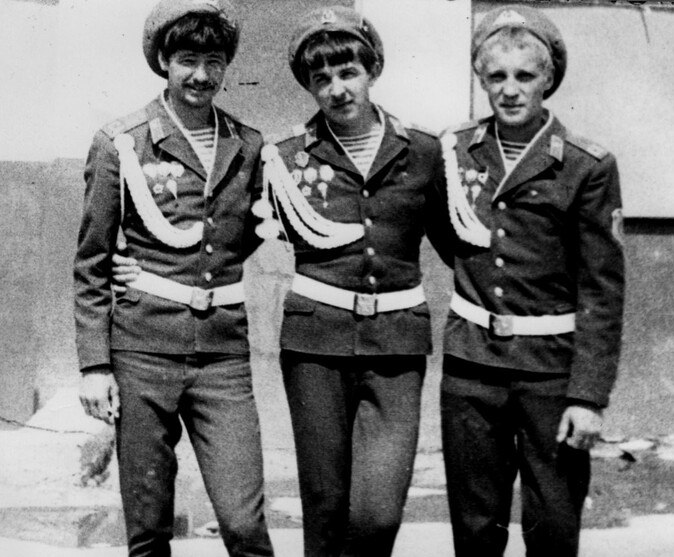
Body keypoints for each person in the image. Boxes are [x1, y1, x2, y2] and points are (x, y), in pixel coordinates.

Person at [73, 1, 274, 555]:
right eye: (188, 60)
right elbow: (91, 262)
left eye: (214, 61)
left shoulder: (248, 145)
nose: (201, 75)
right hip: (143, 350)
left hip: (222, 354)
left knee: (243, 522)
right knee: (148, 527)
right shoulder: (121, 142)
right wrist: (94, 366)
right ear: (164, 61)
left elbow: (245, 232)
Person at [256, 6, 447, 556]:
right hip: (314, 346)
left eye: (348, 73)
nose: (337, 89)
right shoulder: (285, 157)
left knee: (378, 514)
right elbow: (225, 227)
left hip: (397, 343)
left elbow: (459, 245)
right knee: (324, 505)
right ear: (309, 86)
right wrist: (138, 264)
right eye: (321, 78)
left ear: (372, 70)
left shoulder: (423, 151)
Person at [437, 6, 625, 556]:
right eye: (497, 76)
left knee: (553, 526)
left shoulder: (586, 166)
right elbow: (449, 236)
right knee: (475, 528)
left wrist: (588, 397)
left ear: (548, 79)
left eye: (525, 76)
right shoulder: (455, 152)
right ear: (481, 79)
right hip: (472, 366)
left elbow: (602, 288)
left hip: (550, 372)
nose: (510, 90)